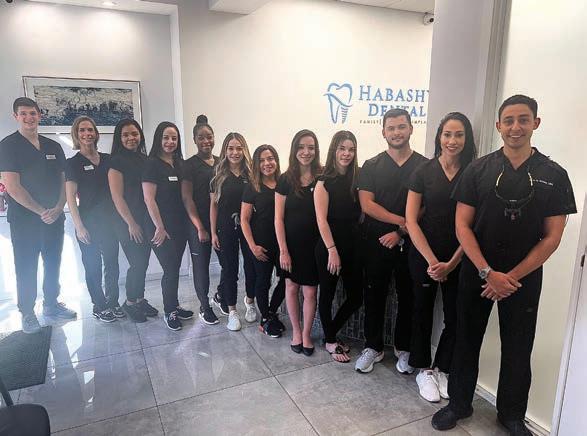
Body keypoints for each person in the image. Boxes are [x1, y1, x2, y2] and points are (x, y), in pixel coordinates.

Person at [431, 95, 576, 436]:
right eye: (508, 120)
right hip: (477, 271)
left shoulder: (554, 175)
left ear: (535, 123)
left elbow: (552, 237)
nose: (515, 127)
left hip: (522, 277)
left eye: (523, 119)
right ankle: (458, 404)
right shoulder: (478, 170)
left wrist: (509, 277)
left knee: (518, 346)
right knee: (466, 339)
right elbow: (462, 226)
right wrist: (487, 272)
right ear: (498, 126)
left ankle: (511, 415)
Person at [405, 112, 476, 402]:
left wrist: (452, 263)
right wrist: (433, 262)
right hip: (424, 256)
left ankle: (442, 368)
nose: (452, 140)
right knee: (421, 312)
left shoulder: (474, 173)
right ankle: (423, 369)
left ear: (467, 138)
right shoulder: (422, 171)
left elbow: (473, 225)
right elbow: (411, 221)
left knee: (456, 317)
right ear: (439, 137)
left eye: (459, 134)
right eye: (447, 134)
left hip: (460, 258)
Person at [355, 108, 427, 373]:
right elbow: (367, 205)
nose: (397, 132)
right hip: (376, 242)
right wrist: (402, 221)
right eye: (391, 128)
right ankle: (372, 347)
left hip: (411, 242)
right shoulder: (371, 166)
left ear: (411, 128)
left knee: (408, 296)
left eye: (401, 127)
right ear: (383, 132)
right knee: (374, 294)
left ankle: (403, 348)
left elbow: (426, 206)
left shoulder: (425, 166)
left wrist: (401, 232)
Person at [0, 97, 76, 334]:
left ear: (39, 115)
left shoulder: (52, 146)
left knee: (53, 262)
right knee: (26, 266)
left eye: (32, 113)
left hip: (54, 217)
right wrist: (42, 211)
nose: (28, 118)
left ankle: (51, 304)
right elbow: (12, 186)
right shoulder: (8, 145)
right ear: (16, 116)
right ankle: (27, 312)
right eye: (23, 113)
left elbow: (64, 181)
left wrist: (59, 207)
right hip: (25, 221)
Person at [65, 116, 122, 323]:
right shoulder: (72, 163)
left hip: (110, 223)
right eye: (82, 130)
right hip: (87, 223)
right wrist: (79, 226)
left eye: (90, 130)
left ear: (96, 134)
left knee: (112, 264)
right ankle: (99, 305)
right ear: (76, 134)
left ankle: (113, 302)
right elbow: (70, 197)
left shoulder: (108, 160)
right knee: (93, 267)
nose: (87, 134)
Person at [314, 131, 363, 362]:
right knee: (327, 295)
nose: (346, 154)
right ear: (334, 150)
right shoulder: (323, 181)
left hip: (353, 246)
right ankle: (331, 341)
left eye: (351, 149)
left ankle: (329, 333)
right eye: (342, 148)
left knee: (356, 297)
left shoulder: (357, 179)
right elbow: (321, 220)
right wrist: (332, 250)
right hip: (328, 247)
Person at [143, 121, 193, 331]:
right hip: (159, 228)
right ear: (158, 139)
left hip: (179, 226)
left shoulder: (180, 164)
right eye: (166, 137)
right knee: (170, 268)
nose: (170, 142)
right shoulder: (151, 164)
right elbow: (149, 199)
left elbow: (185, 196)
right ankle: (169, 311)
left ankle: (175, 305)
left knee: (174, 267)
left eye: (174, 138)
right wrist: (160, 227)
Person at [275, 129, 322, 356]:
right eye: (301, 147)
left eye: (311, 147)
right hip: (291, 246)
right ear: (294, 150)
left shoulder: (323, 177)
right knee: (292, 288)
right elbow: (278, 218)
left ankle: (306, 335)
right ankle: (296, 331)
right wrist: (283, 250)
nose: (306, 152)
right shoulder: (285, 180)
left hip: (315, 246)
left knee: (311, 292)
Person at [109, 119, 157, 323]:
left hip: (145, 220)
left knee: (143, 262)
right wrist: (131, 223)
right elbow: (117, 197)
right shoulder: (116, 162)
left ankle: (139, 299)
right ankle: (129, 302)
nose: (131, 138)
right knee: (137, 263)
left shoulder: (145, 159)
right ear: (119, 138)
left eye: (134, 134)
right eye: (126, 135)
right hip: (127, 222)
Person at [210, 132, 255, 331]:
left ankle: (250, 301)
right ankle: (232, 311)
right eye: (230, 148)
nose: (235, 152)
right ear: (225, 150)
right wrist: (213, 232)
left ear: (244, 150)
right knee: (230, 270)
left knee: (251, 267)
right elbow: (213, 206)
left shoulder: (251, 175)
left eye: (239, 148)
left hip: (249, 228)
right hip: (225, 228)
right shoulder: (218, 176)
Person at [181, 116, 224, 324]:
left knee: (228, 263)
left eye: (209, 137)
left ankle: (221, 295)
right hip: (199, 224)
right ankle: (204, 306)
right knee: (201, 267)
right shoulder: (188, 165)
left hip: (221, 223)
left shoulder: (222, 162)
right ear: (194, 140)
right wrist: (200, 227)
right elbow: (186, 198)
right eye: (201, 138)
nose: (206, 141)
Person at [241, 144, 286, 337]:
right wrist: (252, 247)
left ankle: (271, 312)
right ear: (256, 164)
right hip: (262, 244)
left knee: (287, 280)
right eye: (262, 160)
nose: (267, 163)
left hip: (283, 244)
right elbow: (244, 219)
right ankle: (265, 318)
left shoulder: (285, 183)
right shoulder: (253, 187)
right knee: (263, 282)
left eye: (270, 158)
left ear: (276, 160)